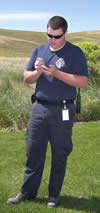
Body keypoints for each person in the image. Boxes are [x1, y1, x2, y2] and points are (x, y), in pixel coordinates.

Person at [7, 16, 88, 208]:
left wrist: (56, 73)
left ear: (66, 33)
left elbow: (82, 82)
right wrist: (38, 72)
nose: (52, 40)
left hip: (63, 110)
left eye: (56, 36)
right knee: (33, 151)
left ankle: (53, 195)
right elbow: (27, 78)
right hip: (39, 108)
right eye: (49, 35)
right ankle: (27, 192)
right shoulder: (39, 50)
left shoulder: (75, 53)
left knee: (60, 153)